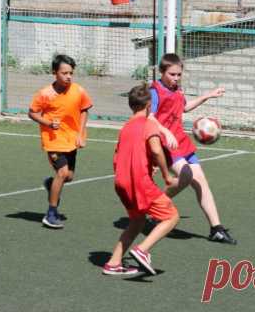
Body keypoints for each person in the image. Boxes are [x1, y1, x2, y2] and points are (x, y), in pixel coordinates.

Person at [149, 53, 237, 245]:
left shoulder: (177, 90)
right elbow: (150, 118)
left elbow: (185, 107)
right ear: (162, 72)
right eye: (172, 74)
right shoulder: (155, 91)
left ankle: (216, 229)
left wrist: (208, 95)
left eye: (179, 74)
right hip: (166, 144)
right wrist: (165, 131)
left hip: (181, 141)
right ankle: (158, 206)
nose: (176, 78)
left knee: (201, 182)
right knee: (187, 175)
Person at [103, 83, 179, 276]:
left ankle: (113, 263)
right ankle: (142, 250)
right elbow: (156, 150)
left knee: (137, 222)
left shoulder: (126, 127)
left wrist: (141, 167)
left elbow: (118, 156)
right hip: (139, 183)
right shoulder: (149, 123)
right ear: (148, 106)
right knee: (171, 216)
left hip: (121, 183)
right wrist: (166, 174)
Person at [28, 54, 93, 229]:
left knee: (69, 177)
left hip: (71, 140)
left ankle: (51, 184)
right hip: (53, 141)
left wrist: (81, 133)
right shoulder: (45, 94)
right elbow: (32, 113)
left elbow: (85, 109)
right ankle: (51, 214)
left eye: (71, 73)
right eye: (64, 73)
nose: (68, 76)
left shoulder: (78, 90)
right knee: (63, 173)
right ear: (54, 72)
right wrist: (48, 123)